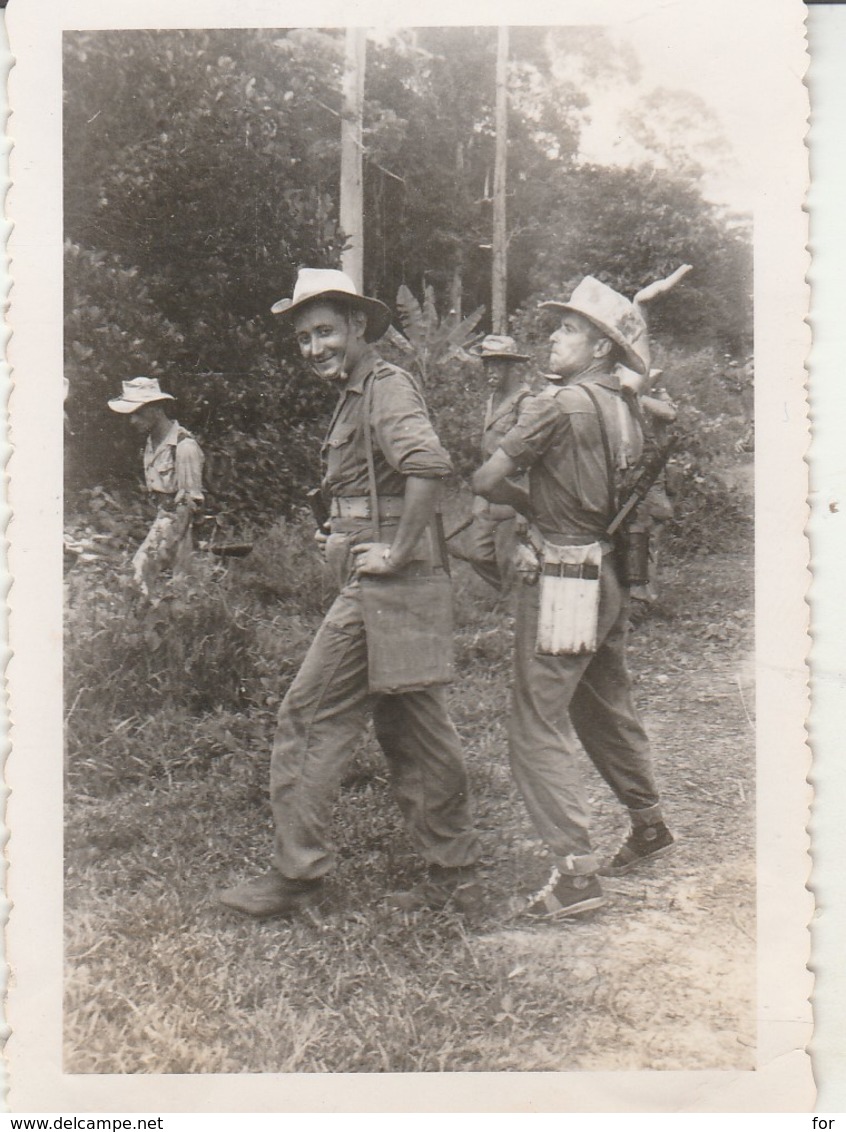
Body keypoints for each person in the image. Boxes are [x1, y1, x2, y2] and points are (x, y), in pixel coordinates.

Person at [219, 269, 481, 920]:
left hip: (387, 587)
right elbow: (379, 486)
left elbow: (427, 467)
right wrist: (342, 531)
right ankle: (454, 872)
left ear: (358, 328)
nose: (314, 348)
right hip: (403, 579)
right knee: (413, 725)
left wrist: (390, 549)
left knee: (307, 718)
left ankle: (296, 875)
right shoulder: (354, 393)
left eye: (326, 332)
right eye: (304, 338)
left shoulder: (385, 387)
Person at [472, 276, 675, 920]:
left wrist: (529, 504)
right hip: (606, 572)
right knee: (603, 704)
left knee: (535, 722)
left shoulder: (557, 405)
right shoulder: (623, 404)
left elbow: (485, 479)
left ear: (599, 348)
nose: (552, 337)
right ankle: (648, 826)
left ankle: (576, 875)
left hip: (563, 578)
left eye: (567, 329)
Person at [107, 377, 205, 597]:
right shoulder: (152, 443)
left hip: (180, 528)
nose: (133, 420)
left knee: (172, 589)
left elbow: (188, 505)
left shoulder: (184, 447)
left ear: (157, 409)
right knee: (147, 590)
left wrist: (161, 549)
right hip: (161, 521)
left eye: (139, 412)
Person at [459, 335, 533, 591]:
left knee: (510, 559)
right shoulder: (493, 399)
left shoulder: (526, 403)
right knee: (477, 553)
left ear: (513, 367)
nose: (490, 371)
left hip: (514, 492)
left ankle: (514, 609)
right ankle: (508, 596)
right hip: (489, 490)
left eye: (497, 365)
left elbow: (533, 458)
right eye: (487, 365)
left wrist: (525, 509)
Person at [616, 365, 679, 609]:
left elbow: (670, 414)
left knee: (649, 535)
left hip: (650, 479)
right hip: (624, 475)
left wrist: (636, 397)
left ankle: (644, 598)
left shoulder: (653, 398)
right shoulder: (615, 400)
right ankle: (630, 595)